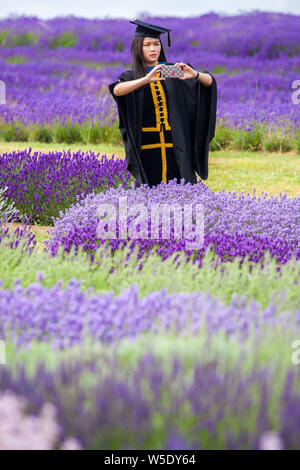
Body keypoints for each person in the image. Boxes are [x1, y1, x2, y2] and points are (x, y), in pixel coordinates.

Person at [108, 19, 217, 188]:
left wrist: (195, 74)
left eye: (156, 44)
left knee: (179, 189)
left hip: (175, 143)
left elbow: (209, 82)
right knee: (149, 190)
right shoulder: (133, 75)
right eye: (147, 45)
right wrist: (145, 79)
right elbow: (117, 90)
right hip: (146, 146)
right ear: (138, 48)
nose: (153, 49)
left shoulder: (169, 71)